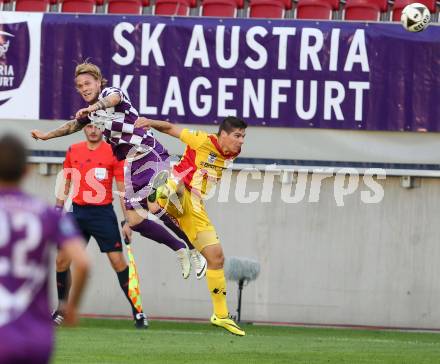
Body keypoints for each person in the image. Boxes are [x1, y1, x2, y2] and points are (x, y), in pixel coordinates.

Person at [30, 61, 206, 280]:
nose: (84, 88)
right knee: (134, 221)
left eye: (88, 83)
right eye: (80, 86)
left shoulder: (111, 93)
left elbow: (112, 99)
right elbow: (72, 126)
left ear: (98, 82)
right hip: (131, 166)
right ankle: (180, 248)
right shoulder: (89, 115)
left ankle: (194, 248)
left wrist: (93, 107)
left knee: (155, 203)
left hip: (150, 154)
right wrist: (46, 136)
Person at [134, 116, 247, 336]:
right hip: (181, 188)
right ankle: (160, 193)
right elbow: (170, 128)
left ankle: (221, 315)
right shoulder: (202, 140)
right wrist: (148, 122)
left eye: (243, 136)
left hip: (196, 207)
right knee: (176, 185)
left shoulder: (233, 152)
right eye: (237, 136)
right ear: (222, 134)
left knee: (216, 258)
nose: (241, 141)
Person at [0, 134, 90, 364]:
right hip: (37, 338)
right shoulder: (46, 213)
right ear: (27, 171)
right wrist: (70, 307)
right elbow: (83, 263)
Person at [52, 123, 148, 328]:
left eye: (97, 126)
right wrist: (57, 211)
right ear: (84, 129)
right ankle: (61, 310)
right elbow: (65, 183)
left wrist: (127, 221)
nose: (93, 130)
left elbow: (122, 190)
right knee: (61, 261)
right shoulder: (73, 150)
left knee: (118, 262)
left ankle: (138, 312)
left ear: (102, 129)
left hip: (102, 214)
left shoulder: (113, 152)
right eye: (89, 127)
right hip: (76, 213)